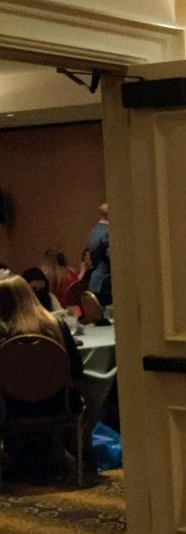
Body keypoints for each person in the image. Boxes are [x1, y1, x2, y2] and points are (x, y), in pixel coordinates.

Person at [0, 273, 83, 480]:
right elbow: (77, 369)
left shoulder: (4, 334)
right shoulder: (57, 325)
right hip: (58, 404)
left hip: (11, 408)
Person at [87, 203, 112, 307]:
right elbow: (111, 257)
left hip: (95, 280)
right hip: (105, 281)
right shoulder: (107, 232)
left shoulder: (94, 231)